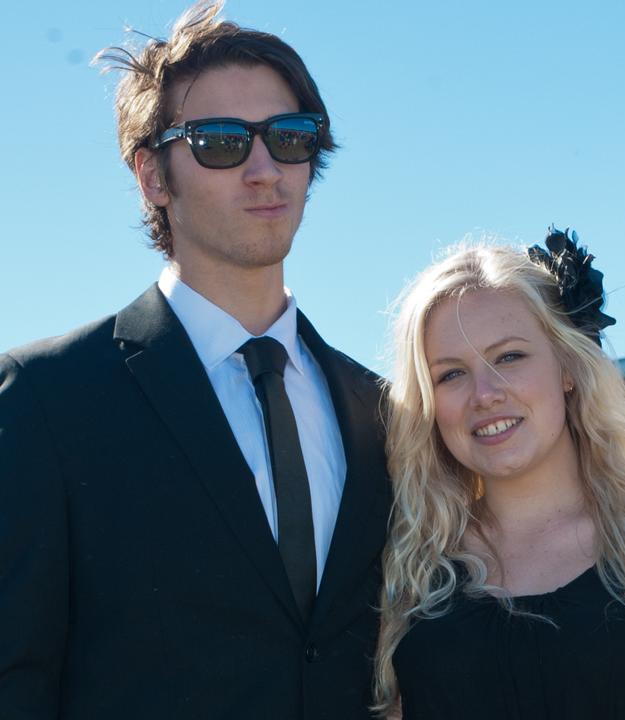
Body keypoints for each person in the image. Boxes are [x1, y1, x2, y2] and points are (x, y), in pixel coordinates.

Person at [0, 2, 390, 717]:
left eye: (290, 137)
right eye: (219, 143)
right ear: (153, 177)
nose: (265, 169)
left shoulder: (382, 409)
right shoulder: (45, 399)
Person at [373, 234, 625, 719]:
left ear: (568, 367)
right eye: (451, 374)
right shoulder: (408, 571)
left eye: (509, 356)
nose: (485, 393)